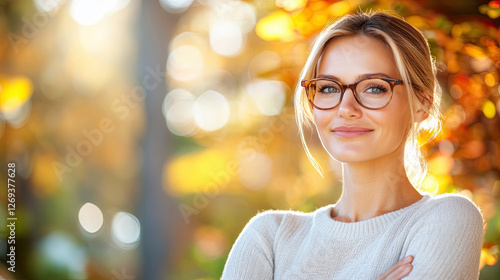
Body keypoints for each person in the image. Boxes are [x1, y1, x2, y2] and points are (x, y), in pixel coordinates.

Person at [221, 11, 484, 280]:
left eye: (375, 88)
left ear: (422, 104)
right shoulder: (269, 237)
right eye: (328, 88)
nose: (346, 109)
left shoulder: (448, 220)